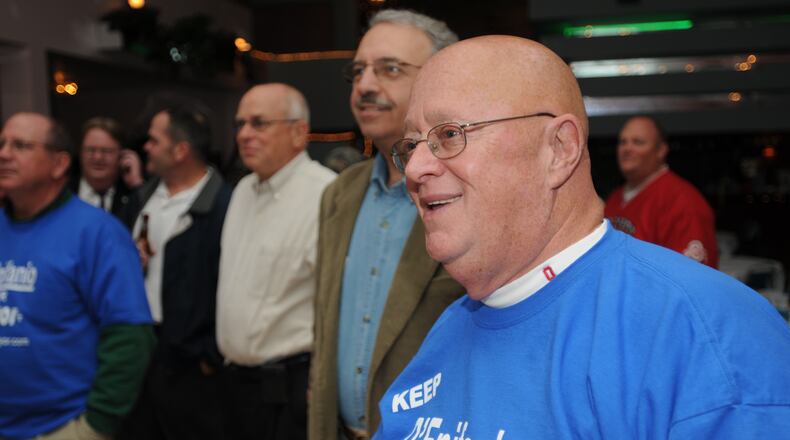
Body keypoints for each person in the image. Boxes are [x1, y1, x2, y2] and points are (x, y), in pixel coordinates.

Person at [375, 36, 790, 439]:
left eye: (448, 134)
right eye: (411, 145)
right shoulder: (447, 331)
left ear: (559, 148)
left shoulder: (704, 334)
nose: (414, 168)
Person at [309, 9, 464, 440]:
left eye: (389, 69)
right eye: (358, 71)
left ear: (440, 79)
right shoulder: (339, 194)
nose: (366, 86)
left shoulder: (468, 189)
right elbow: (324, 337)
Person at [0, 112, 154, 439]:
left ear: (58, 165)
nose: (4, 154)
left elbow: (131, 336)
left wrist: (96, 425)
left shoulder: (98, 233)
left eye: (21, 145)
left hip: (59, 427)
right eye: (2, 144)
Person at [216, 83, 335, 439]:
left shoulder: (325, 194)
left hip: (290, 391)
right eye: (240, 124)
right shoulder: (241, 191)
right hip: (236, 385)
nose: (244, 135)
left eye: (259, 123)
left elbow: (336, 303)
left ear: (299, 132)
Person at [120, 105, 232, 439]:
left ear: (180, 150)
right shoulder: (140, 199)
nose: (146, 148)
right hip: (141, 355)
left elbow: (233, 284)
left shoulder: (223, 205)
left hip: (192, 368)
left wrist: (209, 356)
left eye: (154, 140)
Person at [605, 115, 718, 268]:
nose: (627, 148)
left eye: (638, 142)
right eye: (623, 142)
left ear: (661, 150)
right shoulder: (615, 198)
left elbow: (690, 278)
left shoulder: (683, 201)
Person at [73, 116, 144, 229]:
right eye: (91, 150)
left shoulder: (131, 195)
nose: (98, 157)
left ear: (122, 155)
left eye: (106, 151)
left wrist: (137, 184)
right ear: (81, 153)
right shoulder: (64, 193)